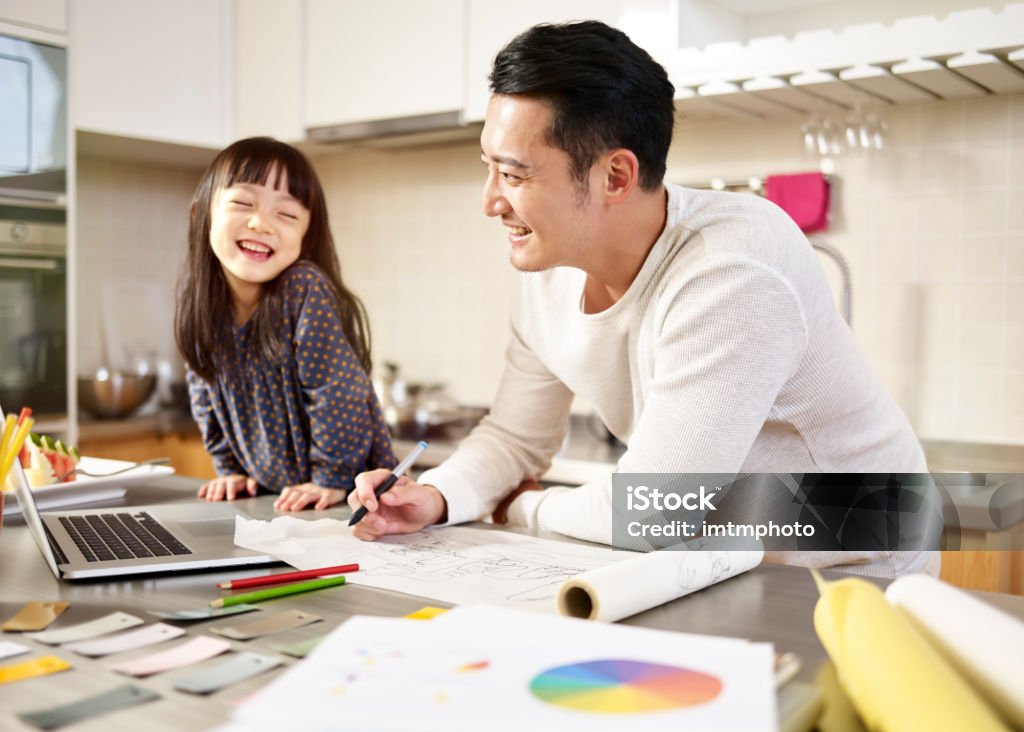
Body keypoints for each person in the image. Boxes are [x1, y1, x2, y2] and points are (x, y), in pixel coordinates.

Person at [347, 22, 931, 576]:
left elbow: (657, 510)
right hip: (726, 559)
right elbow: (516, 437)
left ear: (616, 177)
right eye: (489, 168)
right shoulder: (548, 268)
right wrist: (438, 495)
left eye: (515, 175)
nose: (490, 201)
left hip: (855, 562)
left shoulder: (732, 265)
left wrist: (521, 509)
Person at [176, 136, 395, 512]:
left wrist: (332, 477)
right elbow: (204, 392)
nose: (261, 223)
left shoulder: (303, 288)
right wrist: (230, 468)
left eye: (287, 214)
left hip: (349, 496)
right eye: (243, 203)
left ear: (306, 235)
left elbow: (336, 393)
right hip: (278, 499)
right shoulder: (199, 299)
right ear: (201, 215)